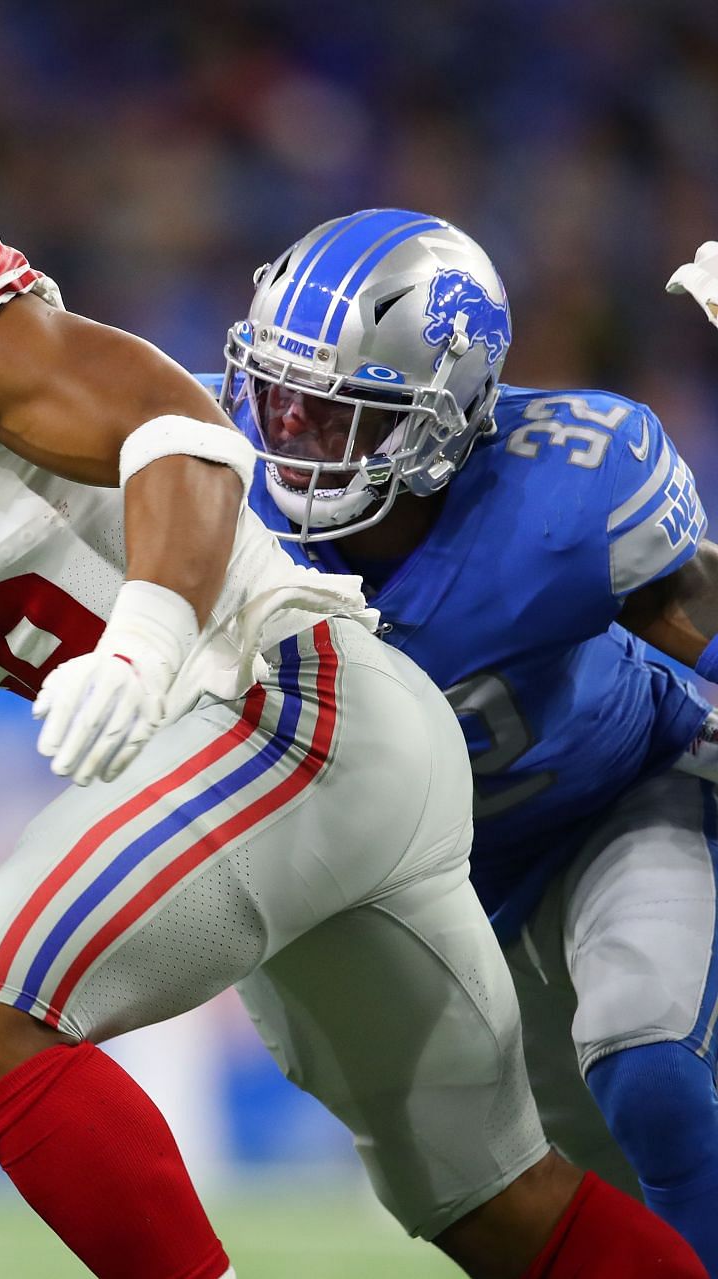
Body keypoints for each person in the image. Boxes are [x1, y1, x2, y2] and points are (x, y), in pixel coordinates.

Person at [0, 42, 702, 1279]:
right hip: (285, 756)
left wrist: (149, 639)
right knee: (498, 1205)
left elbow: (182, 426)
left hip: (278, 695)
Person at [213, 211, 718, 1270]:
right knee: (568, 1195)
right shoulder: (209, 503)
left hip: (611, 802)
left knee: (650, 1060)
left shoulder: (570, 490)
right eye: (283, 400)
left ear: (446, 416)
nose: (293, 441)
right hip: (424, 904)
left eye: (339, 416)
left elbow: (699, 617)